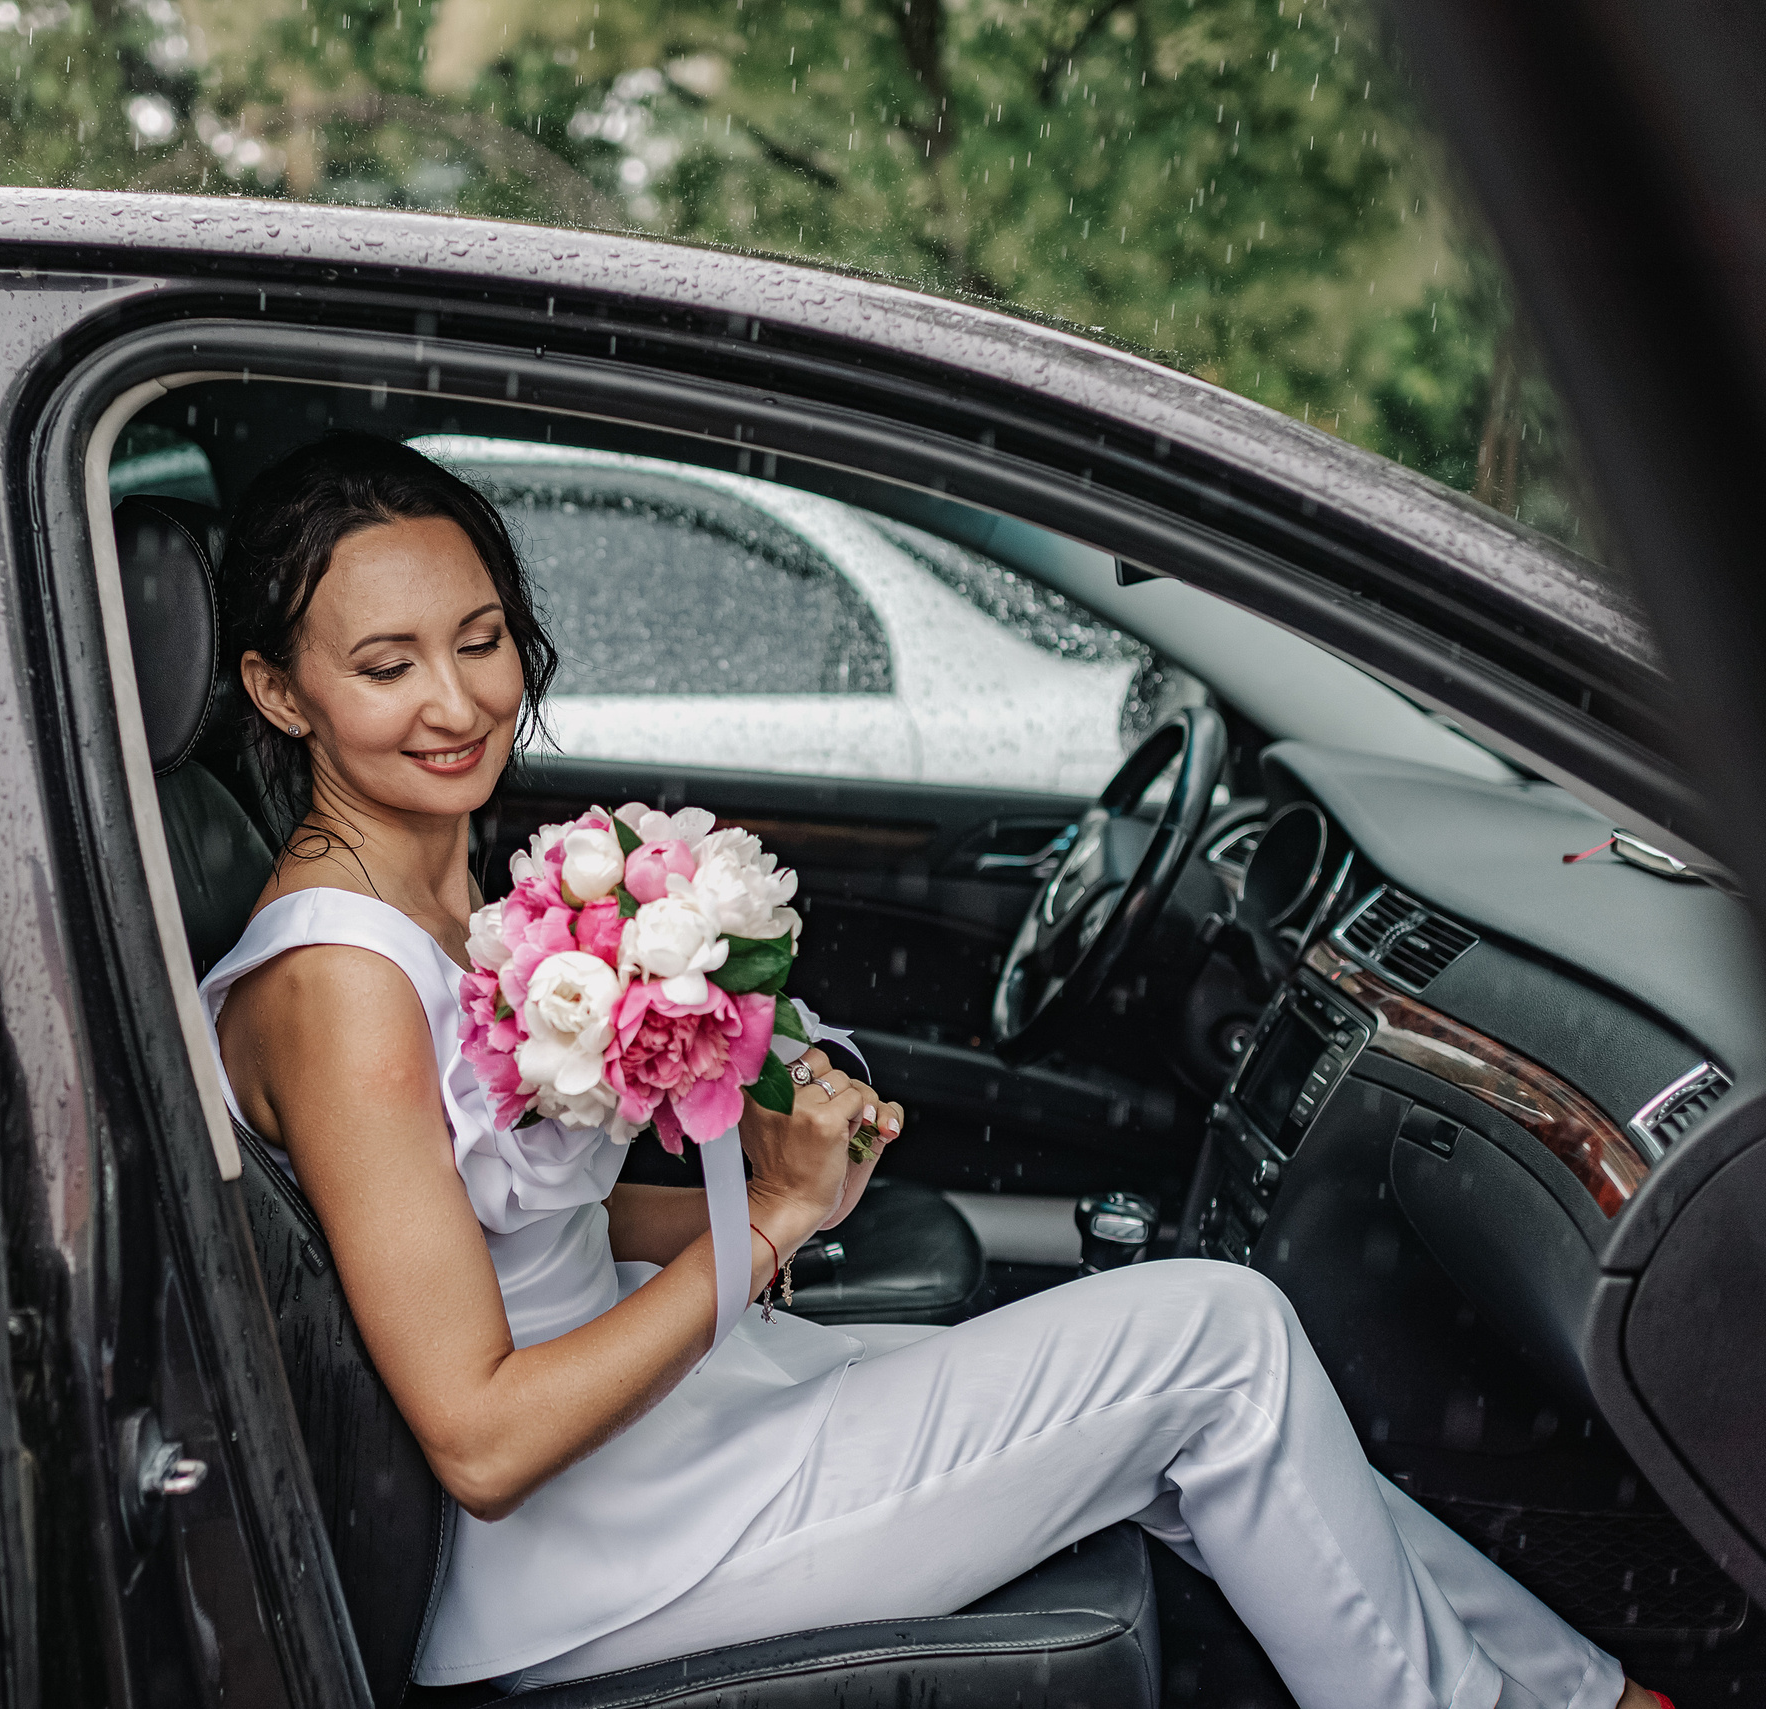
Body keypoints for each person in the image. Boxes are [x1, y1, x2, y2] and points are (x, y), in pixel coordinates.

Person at [200, 433, 1664, 1709]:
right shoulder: (340, 982)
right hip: (596, 1544)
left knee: (1203, 1389)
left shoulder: (467, 904)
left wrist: (793, 1179)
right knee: (1219, 1336)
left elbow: (506, 1236)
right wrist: (764, 1232)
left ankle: (1579, 1697)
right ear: (279, 692)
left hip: (683, 1431)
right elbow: (480, 1437)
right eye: (386, 667)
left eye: (481, 638)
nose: (457, 703)